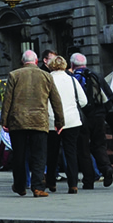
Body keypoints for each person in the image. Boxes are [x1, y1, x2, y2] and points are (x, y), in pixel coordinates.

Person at [1, 49, 65, 197]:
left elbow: (7, 100)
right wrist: (59, 121)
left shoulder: (14, 75)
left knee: (19, 155)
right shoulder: (46, 76)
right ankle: (38, 187)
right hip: (39, 120)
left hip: (18, 121)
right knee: (39, 155)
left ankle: (20, 186)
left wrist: (4, 120)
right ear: (36, 61)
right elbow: (56, 100)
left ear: (23, 62)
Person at [44, 54, 86, 193]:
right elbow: (83, 101)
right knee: (71, 152)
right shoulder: (72, 80)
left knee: (52, 153)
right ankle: (73, 184)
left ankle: (51, 182)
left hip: (52, 120)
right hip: (72, 120)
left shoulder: (47, 79)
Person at [71, 53, 113, 187]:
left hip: (81, 117)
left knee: (83, 149)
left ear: (72, 65)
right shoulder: (97, 76)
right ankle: (106, 168)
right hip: (98, 116)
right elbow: (110, 96)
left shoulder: (73, 79)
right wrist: (102, 112)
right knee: (99, 145)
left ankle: (88, 180)